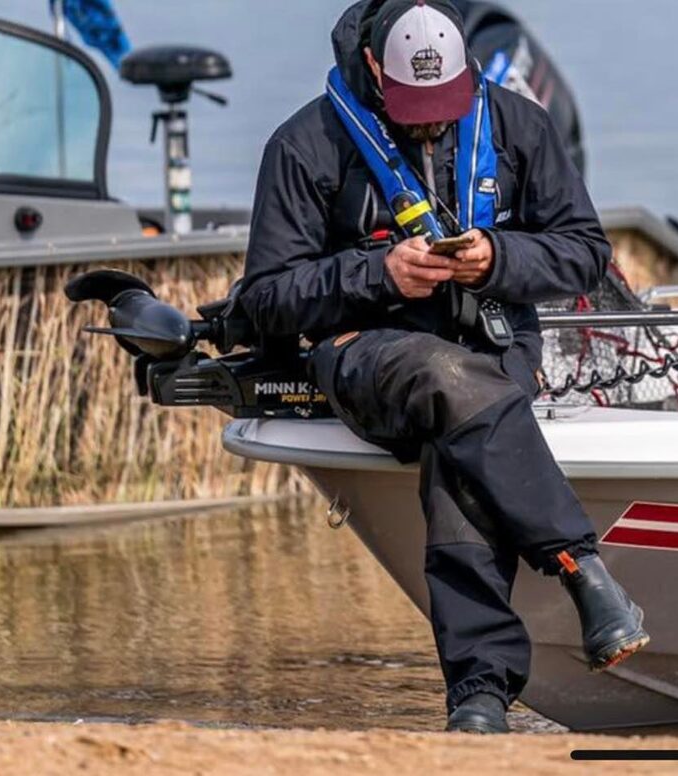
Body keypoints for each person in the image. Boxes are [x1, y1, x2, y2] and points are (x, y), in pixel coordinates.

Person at [235, 0, 647, 734]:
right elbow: (265, 299)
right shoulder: (304, 143)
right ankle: (581, 566)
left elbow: (585, 252)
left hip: (493, 350)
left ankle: (480, 697)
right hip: (363, 349)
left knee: (461, 437)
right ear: (373, 67)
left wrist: (498, 258)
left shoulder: (518, 124)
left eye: (447, 106)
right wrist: (379, 274)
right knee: (444, 378)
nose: (433, 124)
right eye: (417, 110)